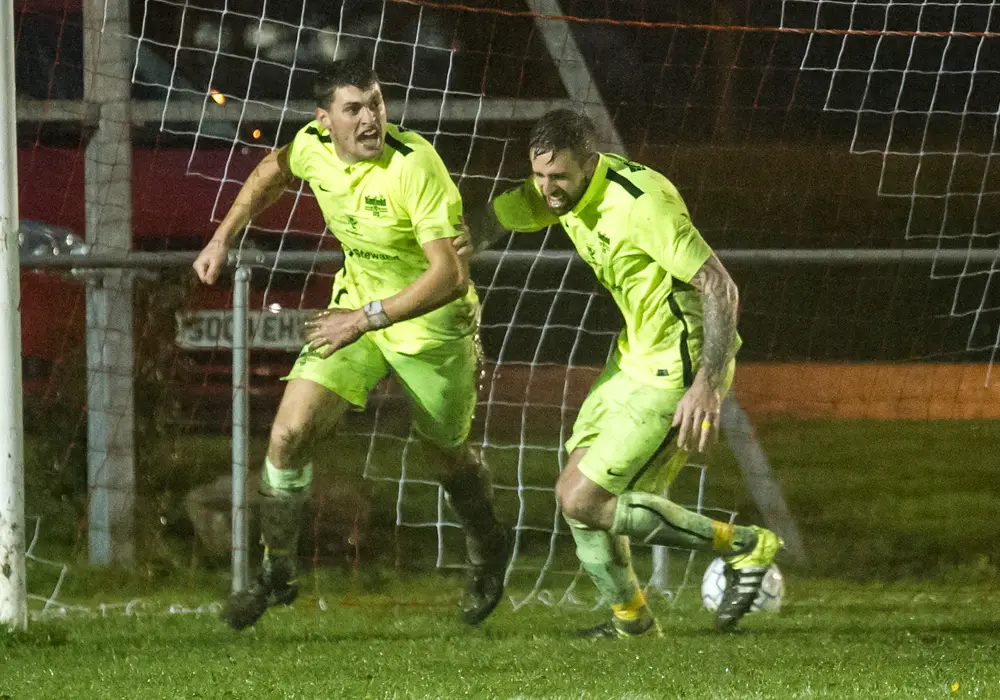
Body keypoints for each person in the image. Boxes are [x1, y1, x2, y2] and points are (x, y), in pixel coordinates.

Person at [192, 57, 511, 630]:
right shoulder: (311, 144)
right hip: (356, 314)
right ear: (325, 120)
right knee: (288, 435)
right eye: (354, 109)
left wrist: (364, 319)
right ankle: (278, 571)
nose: (371, 119)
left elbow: (449, 276)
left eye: (377, 103)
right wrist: (220, 237)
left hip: (433, 327)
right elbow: (274, 169)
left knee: (445, 456)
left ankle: (489, 543)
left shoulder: (415, 166)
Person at [467, 109, 782, 636]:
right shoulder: (556, 189)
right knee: (574, 493)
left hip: (679, 365)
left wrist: (705, 384)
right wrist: (446, 251)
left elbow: (721, 287)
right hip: (633, 356)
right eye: (539, 175)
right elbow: (492, 220)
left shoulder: (642, 205)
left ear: (590, 163)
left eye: (558, 177)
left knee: (584, 498)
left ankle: (748, 547)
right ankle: (631, 623)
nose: (546, 188)